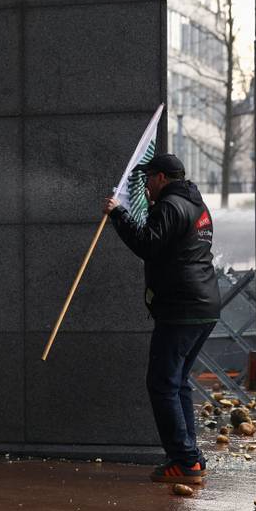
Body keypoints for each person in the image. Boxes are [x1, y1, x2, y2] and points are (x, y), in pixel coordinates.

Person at [103, 153, 220, 485]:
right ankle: (190, 458)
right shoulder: (196, 205)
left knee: (162, 384)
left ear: (161, 178)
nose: (145, 187)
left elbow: (147, 244)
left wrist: (118, 214)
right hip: (203, 306)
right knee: (177, 382)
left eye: (148, 179)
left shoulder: (170, 206)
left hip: (181, 309)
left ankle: (185, 461)